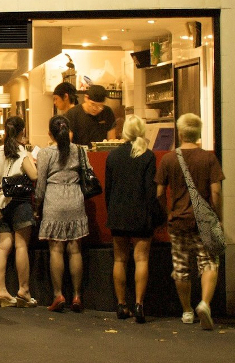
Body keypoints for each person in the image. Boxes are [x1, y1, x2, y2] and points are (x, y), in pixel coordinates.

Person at [155, 113, 224, 330]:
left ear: (181, 133)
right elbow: (216, 192)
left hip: (178, 221)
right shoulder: (209, 159)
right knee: (209, 263)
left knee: (181, 267)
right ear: (198, 133)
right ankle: (204, 303)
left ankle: (186, 311)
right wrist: (217, 215)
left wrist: (169, 212)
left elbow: (158, 192)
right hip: (202, 222)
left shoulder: (168, 159)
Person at [105, 115, 159, 323]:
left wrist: (111, 211)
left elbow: (108, 189)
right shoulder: (148, 156)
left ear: (124, 132)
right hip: (141, 215)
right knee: (141, 260)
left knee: (120, 259)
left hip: (118, 214)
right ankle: (139, 305)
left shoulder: (113, 156)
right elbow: (150, 190)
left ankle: (121, 305)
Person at [35, 114, 89, 313]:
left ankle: (58, 294)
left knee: (56, 250)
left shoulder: (45, 153)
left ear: (50, 133)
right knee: (75, 250)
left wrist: (37, 205)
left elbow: (40, 184)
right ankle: (77, 295)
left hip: (54, 200)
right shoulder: (80, 151)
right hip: (75, 199)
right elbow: (88, 173)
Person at [0, 116, 37, 308]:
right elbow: (34, 175)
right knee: (21, 246)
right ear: (22, 132)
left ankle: (1, 291)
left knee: (3, 247)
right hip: (20, 202)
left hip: (3, 202)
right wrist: (33, 161)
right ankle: (23, 291)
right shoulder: (21, 152)